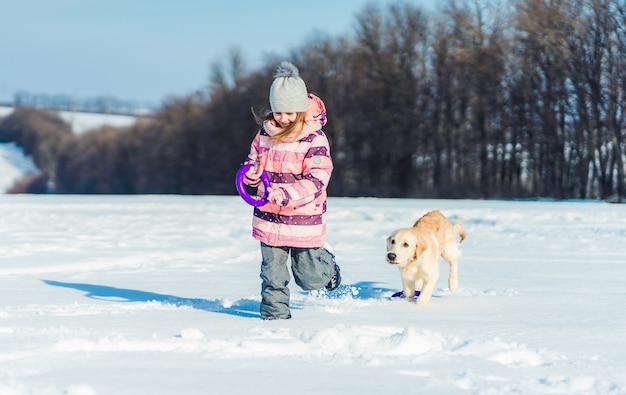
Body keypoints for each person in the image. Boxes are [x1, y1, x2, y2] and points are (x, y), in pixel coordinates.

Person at [242, 61, 341, 320]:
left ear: (300, 110)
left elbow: (318, 178)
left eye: (290, 113)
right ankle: (274, 318)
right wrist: (252, 177)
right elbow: (254, 163)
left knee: (309, 279)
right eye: (279, 112)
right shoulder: (264, 135)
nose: (283, 118)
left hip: (302, 217)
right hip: (269, 216)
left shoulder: (314, 139)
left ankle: (327, 268)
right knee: (272, 274)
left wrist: (287, 194)